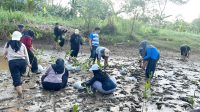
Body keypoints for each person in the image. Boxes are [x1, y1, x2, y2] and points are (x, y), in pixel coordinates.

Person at [3, 31, 31, 97]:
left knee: (16, 77)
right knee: (19, 75)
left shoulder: (8, 44)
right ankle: (18, 86)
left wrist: (6, 57)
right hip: (22, 62)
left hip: (13, 63)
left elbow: (4, 54)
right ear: (19, 38)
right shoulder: (22, 45)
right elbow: (26, 55)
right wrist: (28, 64)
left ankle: (20, 94)